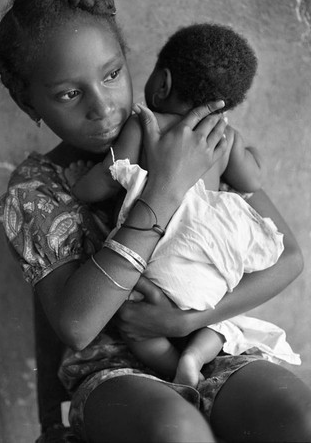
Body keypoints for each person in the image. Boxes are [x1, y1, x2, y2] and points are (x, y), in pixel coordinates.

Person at [0, 0, 311, 443]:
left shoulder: (193, 138)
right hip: (110, 371)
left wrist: (183, 322)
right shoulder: (36, 189)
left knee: (299, 416)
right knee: (176, 432)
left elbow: (288, 260)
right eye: (69, 94)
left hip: (212, 337)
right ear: (29, 104)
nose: (103, 108)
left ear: (133, 68)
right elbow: (78, 326)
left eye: (111, 75)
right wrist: (162, 188)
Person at [65, 23, 299, 388]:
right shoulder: (225, 136)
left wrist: (77, 182)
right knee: (220, 322)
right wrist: (253, 155)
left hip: (162, 258)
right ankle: (195, 357)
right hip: (212, 272)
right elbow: (252, 181)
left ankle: (175, 369)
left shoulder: (143, 125)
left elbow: (104, 181)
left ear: (163, 83)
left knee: (140, 331)